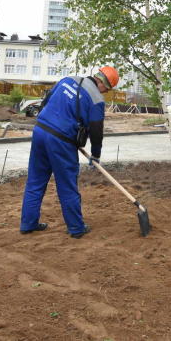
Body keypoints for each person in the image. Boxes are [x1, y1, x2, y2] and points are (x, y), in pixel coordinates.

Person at [19, 66, 120, 238]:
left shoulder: (68, 80)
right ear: (105, 85)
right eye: (107, 90)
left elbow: (46, 102)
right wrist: (96, 154)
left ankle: (28, 224)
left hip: (40, 131)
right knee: (67, 186)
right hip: (61, 142)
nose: (105, 93)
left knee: (35, 181)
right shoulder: (96, 99)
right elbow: (96, 131)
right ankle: (76, 228)